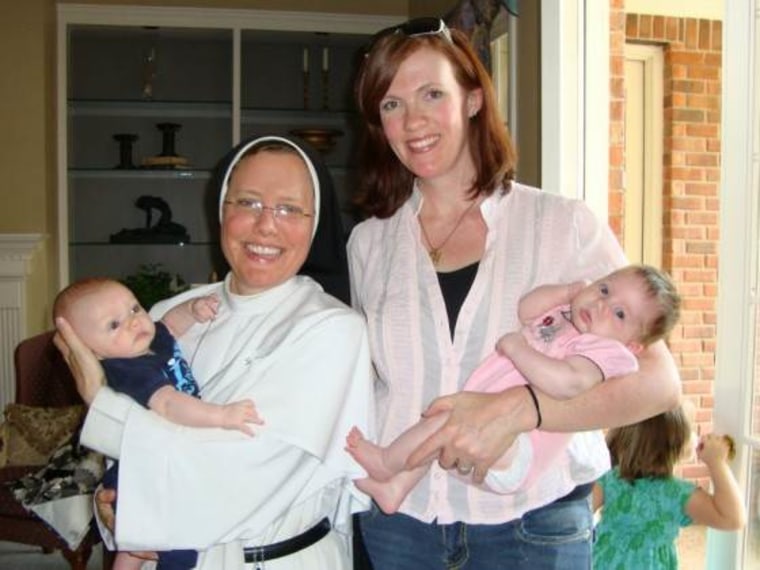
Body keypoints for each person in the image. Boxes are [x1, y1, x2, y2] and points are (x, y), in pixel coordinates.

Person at [348, 16, 681, 568]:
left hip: (534, 524)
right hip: (401, 527)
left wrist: (523, 408)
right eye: (391, 104)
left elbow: (658, 383)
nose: (412, 121)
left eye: (432, 93)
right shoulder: (368, 243)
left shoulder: (563, 223)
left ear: (474, 99)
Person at [54, 134, 374, 569]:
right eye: (247, 202)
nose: (266, 225)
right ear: (221, 210)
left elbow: (236, 479)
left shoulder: (334, 332)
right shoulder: (164, 317)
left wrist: (100, 400)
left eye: (288, 208)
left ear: (315, 223)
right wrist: (113, 510)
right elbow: (126, 465)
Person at [346, 265, 681, 514]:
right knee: (444, 427)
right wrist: (565, 292)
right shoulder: (568, 316)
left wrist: (519, 349)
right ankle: (397, 488)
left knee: (445, 423)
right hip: (488, 423)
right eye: (605, 289)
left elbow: (567, 384)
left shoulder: (606, 353)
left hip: (522, 448)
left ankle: (387, 461)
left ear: (634, 346)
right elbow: (526, 310)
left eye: (620, 313)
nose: (602, 305)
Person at [52, 278, 261, 570]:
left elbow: (169, 325)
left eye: (134, 308)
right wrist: (221, 416)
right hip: (141, 470)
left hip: (148, 463)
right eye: (113, 325)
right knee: (175, 546)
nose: (133, 322)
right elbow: (168, 404)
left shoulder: (148, 343)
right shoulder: (127, 370)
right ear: (91, 352)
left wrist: (192, 309)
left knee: (138, 543)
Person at [592, 406, 746, 568]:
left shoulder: (611, 480)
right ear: (677, 446)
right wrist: (716, 463)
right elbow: (733, 519)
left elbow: (581, 511)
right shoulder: (676, 493)